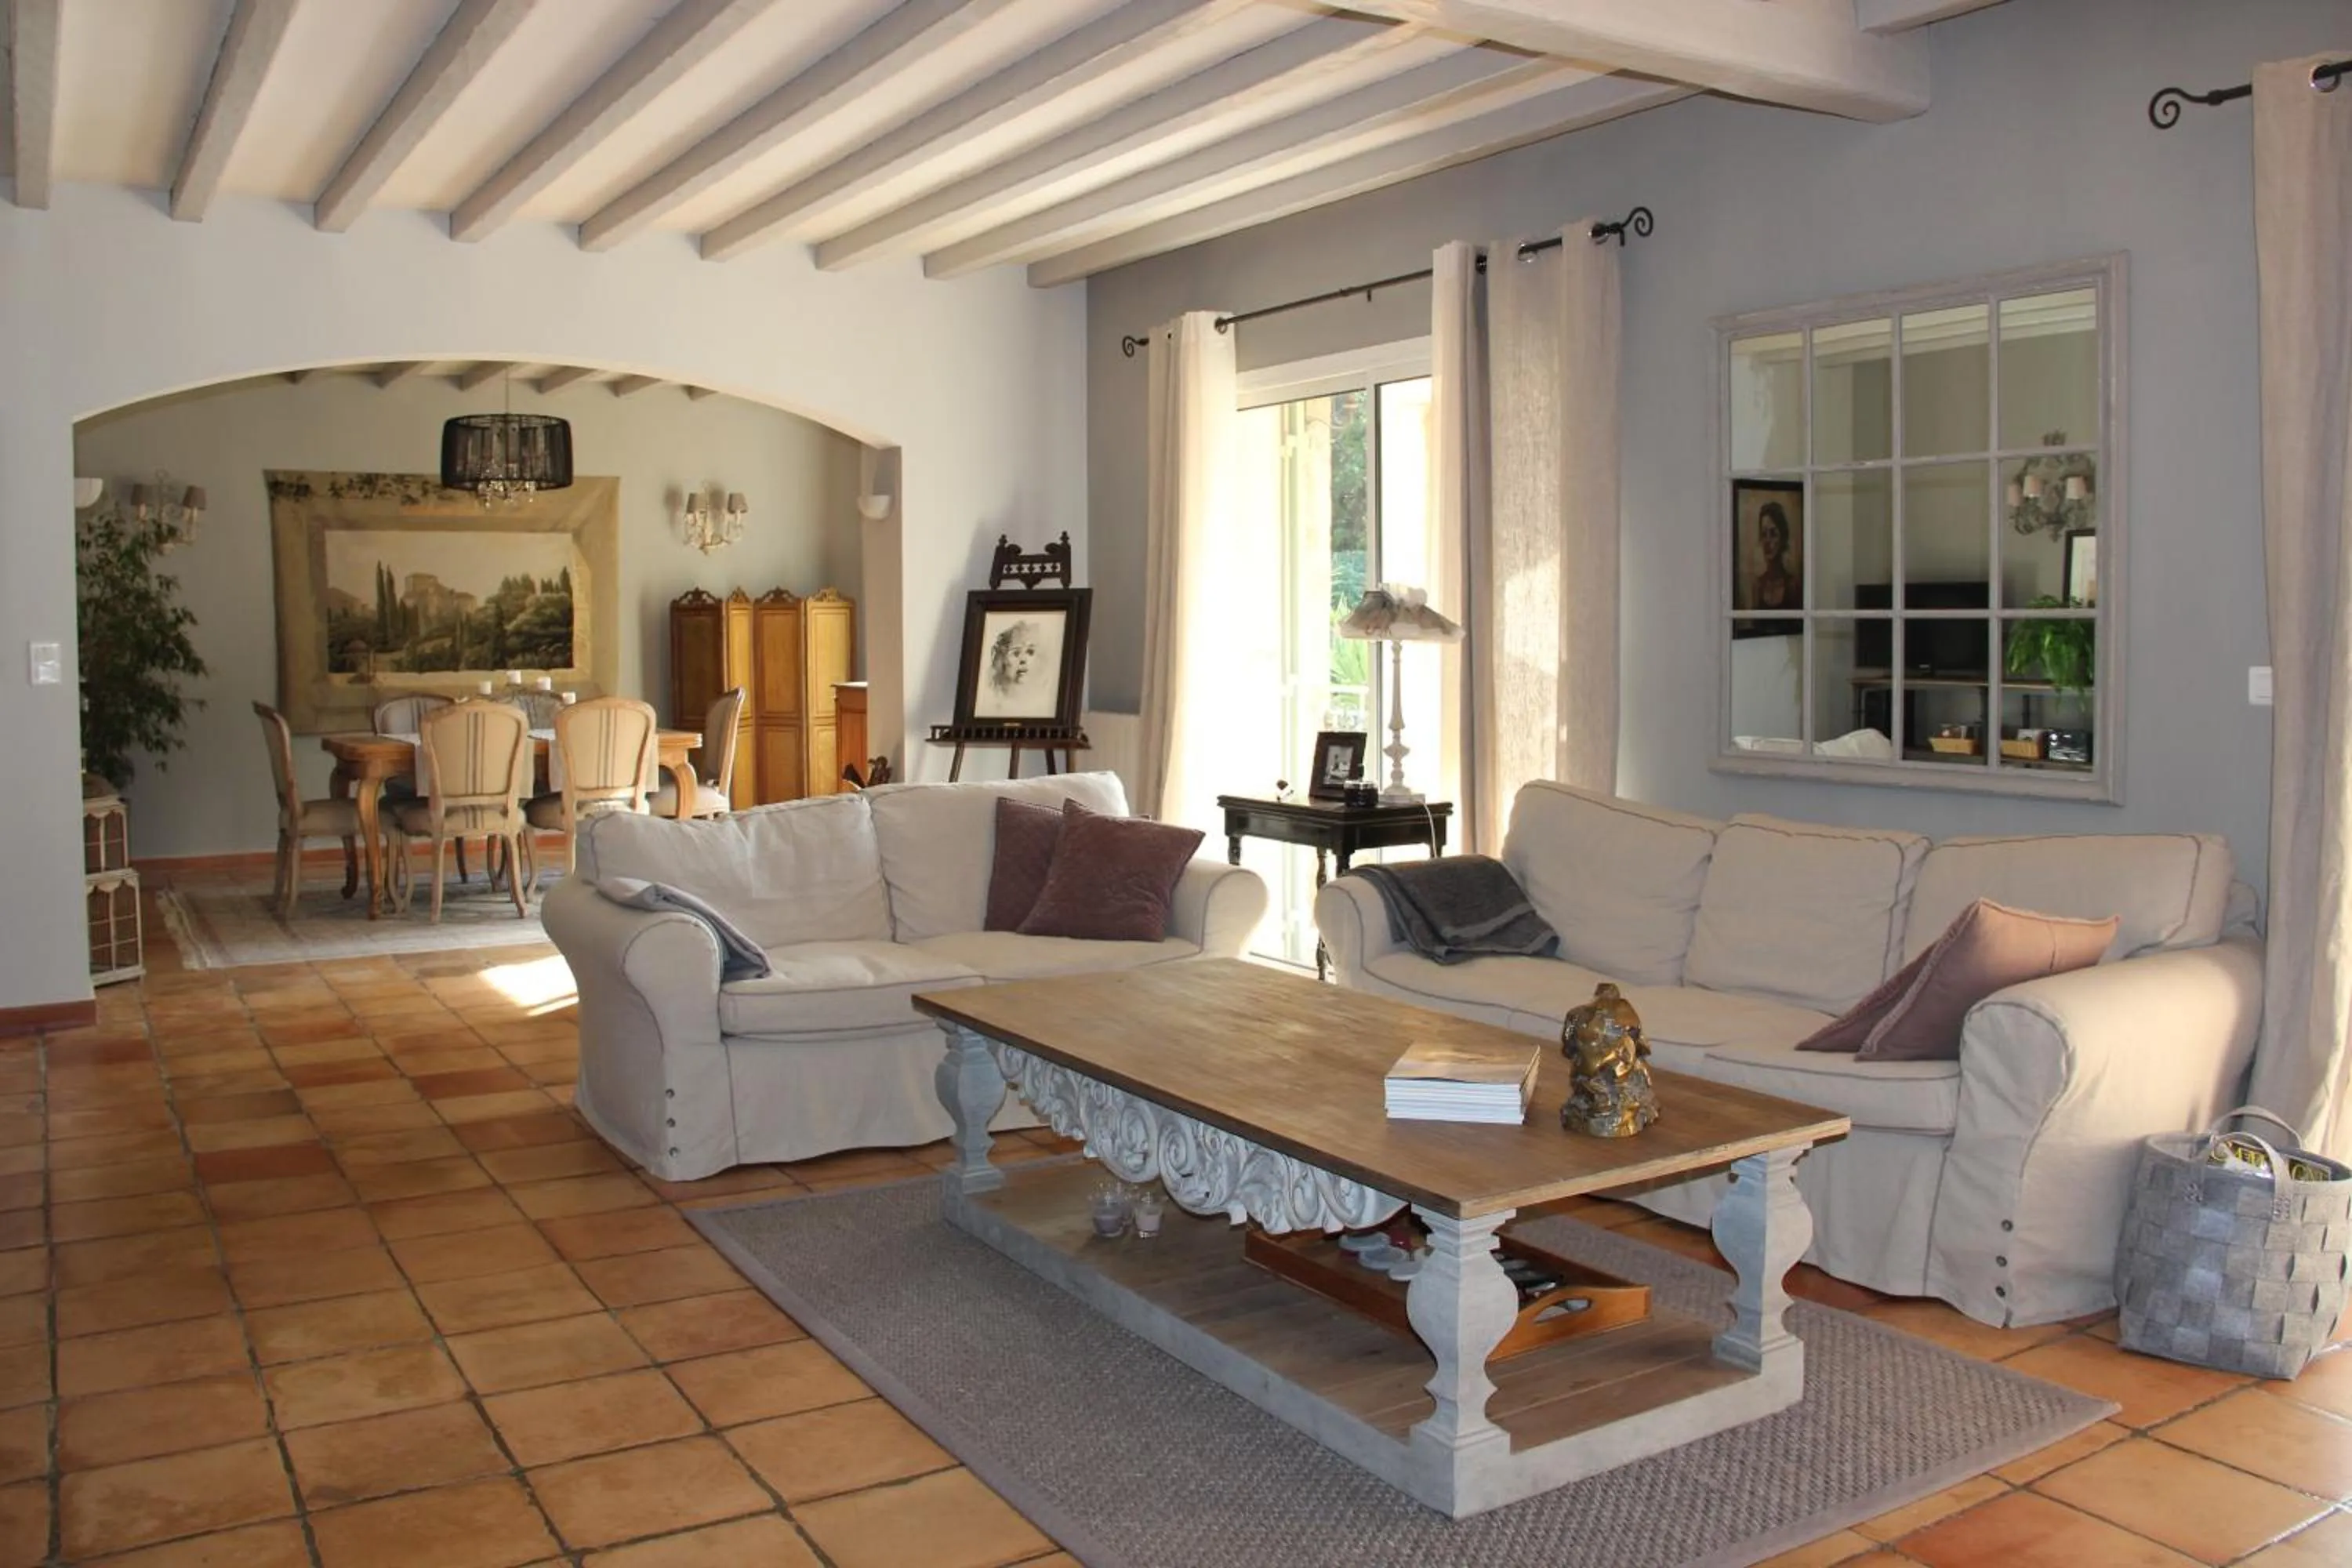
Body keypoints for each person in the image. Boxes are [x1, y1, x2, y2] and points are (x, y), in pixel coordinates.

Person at [1752, 500, 1797, 612]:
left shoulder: (1793, 586)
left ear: (1783, 539)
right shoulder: (1758, 586)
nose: (1767, 541)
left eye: (1773, 534)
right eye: (1764, 534)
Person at [986, 619, 1042, 699]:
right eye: (1016, 653)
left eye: (1030, 652)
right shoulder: (993, 695)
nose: (1023, 660)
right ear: (1003, 657)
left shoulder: (1039, 695)